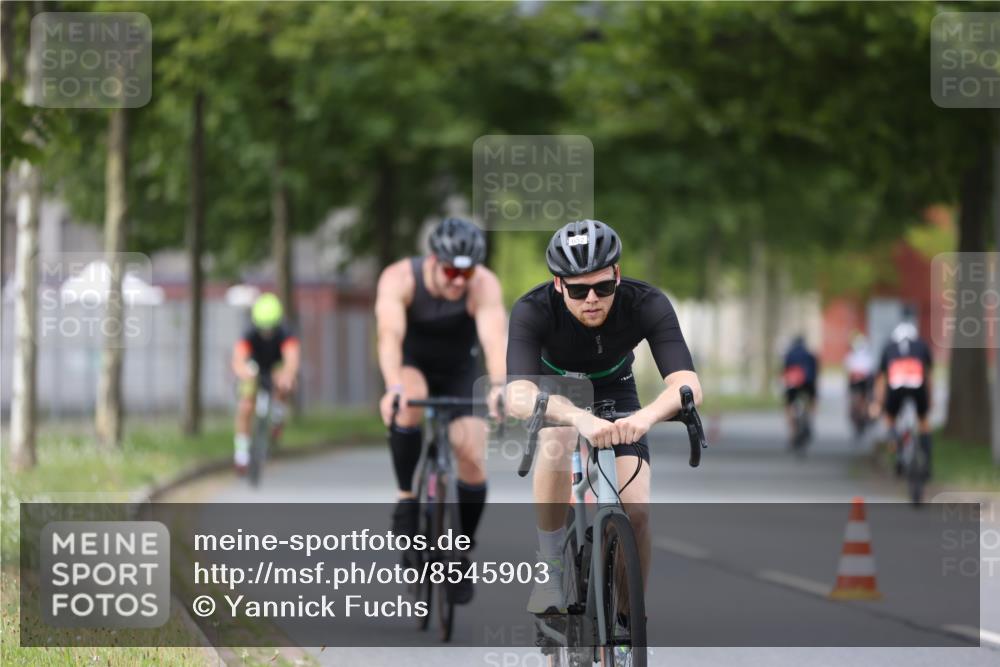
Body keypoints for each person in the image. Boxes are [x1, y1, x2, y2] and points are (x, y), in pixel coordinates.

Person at [504, 219, 701, 615]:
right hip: (558, 390)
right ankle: (552, 567)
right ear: (558, 285)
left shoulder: (646, 302)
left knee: (638, 512)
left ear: (617, 275)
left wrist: (644, 419)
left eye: (603, 287)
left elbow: (687, 385)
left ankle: (628, 625)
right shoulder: (532, 309)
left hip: (616, 389)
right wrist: (577, 418)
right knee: (557, 440)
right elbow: (518, 394)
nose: (591, 298)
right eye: (578, 290)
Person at [374, 217, 507, 605]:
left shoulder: (482, 284)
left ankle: (460, 551)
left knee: (472, 453)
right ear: (432, 260)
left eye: (466, 272)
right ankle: (405, 499)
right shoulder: (399, 278)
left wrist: (498, 386)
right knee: (408, 405)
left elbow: (494, 337)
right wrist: (393, 386)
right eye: (450, 270)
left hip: (460, 370)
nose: (458, 281)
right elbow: (389, 334)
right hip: (413, 363)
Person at [231, 293, 300, 473]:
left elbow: (291, 359)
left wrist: (288, 375)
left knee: (285, 383)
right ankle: (241, 454)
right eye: (263, 329)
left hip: (275, 366)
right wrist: (243, 372)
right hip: (255, 367)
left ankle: (277, 416)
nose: (267, 333)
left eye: (271, 329)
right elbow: (238, 359)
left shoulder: (285, 332)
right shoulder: (249, 332)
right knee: (245, 405)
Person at [872, 320, 934, 477]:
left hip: (896, 387)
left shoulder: (889, 347)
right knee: (924, 422)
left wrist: (878, 403)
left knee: (890, 417)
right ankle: (926, 462)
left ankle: (895, 444)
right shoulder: (921, 345)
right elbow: (928, 375)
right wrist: (930, 398)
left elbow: (881, 379)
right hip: (918, 385)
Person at [782, 334, 819, 444]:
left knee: (788, 405)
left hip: (793, 383)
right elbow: (815, 372)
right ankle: (809, 419)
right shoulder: (810, 355)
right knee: (811, 400)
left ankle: (792, 432)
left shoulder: (789, 354)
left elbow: (785, 370)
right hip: (808, 382)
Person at [845, 332, 875, 433]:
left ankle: (858, 412)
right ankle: (866, 413)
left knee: (856, 398)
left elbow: (848, 370)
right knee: (866, 397)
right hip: (863, 381)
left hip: (856, 381)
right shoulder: (867, 356)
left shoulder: (851, 356)